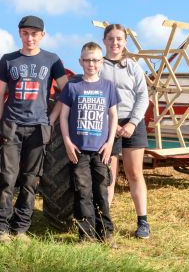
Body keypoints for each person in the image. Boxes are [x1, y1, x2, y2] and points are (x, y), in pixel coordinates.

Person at [0, 15, 68, 242]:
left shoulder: (52, 60)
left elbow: (67, 92)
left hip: (37, 128)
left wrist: (51, 118)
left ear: (42, 35)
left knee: (30, 180)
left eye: (34, 34)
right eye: (25, 33)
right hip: (12, 126)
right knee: (7, 178)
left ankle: (21, 228)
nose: (30, 38)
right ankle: (0, 229)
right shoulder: (8, 60)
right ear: (19, 34)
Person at [58, 42, 119, 244]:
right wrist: (67, 142)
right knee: (82, 191)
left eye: (95, 60)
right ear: (80, 62)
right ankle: (86, 235)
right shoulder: (73, 87)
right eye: (87, 60)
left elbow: (113, 117)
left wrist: (110, 143)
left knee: (101, 191)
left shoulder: (108, 87)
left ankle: (106, 233)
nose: (91, 64)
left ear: (101, 62)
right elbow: (63, 117)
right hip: (79, 150)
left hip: (101, 150)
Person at [99, 23, 151, 239]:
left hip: (132, 123)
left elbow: (143, 96)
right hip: (107, 122)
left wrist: (131, 123)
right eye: (111, 38)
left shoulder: (132, 66)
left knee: (134, 173)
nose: (115, 42)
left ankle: (143, 222)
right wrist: (113, 124)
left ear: (125, 42)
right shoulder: (98, 65)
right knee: (109, 175)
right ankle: (105, 222)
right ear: (104, 41)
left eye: (119, 39)